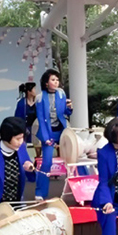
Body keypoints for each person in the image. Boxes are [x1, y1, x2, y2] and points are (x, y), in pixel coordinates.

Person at [35, 69, 72, 200]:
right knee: (47, 162)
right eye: (53, 80)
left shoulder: (61, 94)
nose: (56, 82)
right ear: (46, 83)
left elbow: (66, 113)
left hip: (62, 130)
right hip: (48, 132)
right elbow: (41, 119)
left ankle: (82, 189)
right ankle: (40, 193)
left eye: (57, 79)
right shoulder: (40, 97)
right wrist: (46, 139)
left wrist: (70, 108)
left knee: (74, 159)